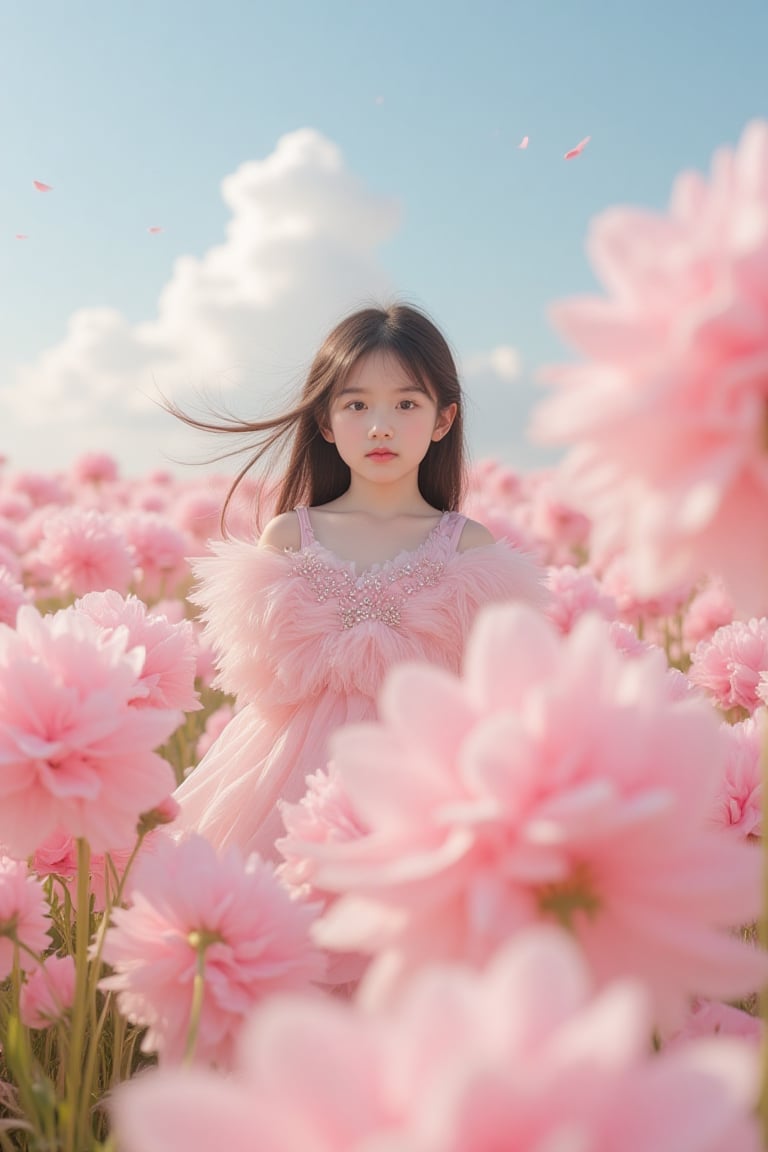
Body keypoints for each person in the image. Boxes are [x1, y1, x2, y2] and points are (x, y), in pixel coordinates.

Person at [173, 302, 547, 861]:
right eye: (356, 404)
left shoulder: (470, 552)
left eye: (406, 403)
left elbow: (496, 700)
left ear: (442, 420)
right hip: (282, 793)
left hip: (420, 793)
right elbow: (263, 693)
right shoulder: (287, 541)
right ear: (325, 421)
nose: (380, 425)